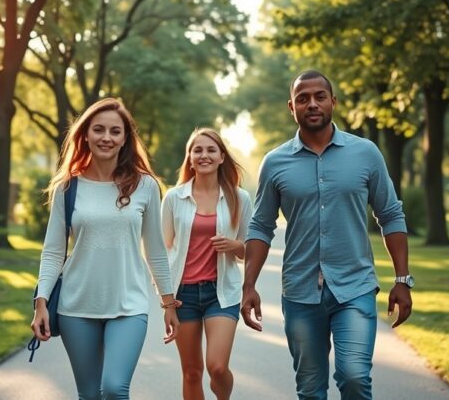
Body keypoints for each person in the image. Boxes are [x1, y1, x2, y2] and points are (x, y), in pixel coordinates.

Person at [241, 70, 413, 400]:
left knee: (354, 377)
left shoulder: (366, 153)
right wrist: (249, 285)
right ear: (291, 107)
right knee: (310, 390)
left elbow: (390, 214)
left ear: (333, 101)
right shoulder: (275, 163)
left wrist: (402, 279)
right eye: (302, 98)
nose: (312, 104)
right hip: (300, 291)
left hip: (355, 287)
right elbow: (261, 226)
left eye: (320, 96)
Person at [30, 97, 180, 400]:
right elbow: (54, 251)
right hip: (76, 306)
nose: (106, 137)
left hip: (129, 304)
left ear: (125, 138)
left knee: (113, 387)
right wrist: (41, 301)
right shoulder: (67, 187)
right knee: (88, 395)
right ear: (85, 134)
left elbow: (155, 250)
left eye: (115, 131)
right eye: (98, 129)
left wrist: (168, 303)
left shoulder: (146, 186)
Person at [162, 128, 252, 400]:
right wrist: (166, 301)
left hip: (221, 293)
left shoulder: (239, 198)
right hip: (183, 295)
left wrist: (235, 245)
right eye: (197, 150)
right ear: (189, 158)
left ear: (222, 157)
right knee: (191, 372)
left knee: (218, 367)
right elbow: (162, 251)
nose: (204, 155)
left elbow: (250, 250)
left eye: (211, 150)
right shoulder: (174, 198)